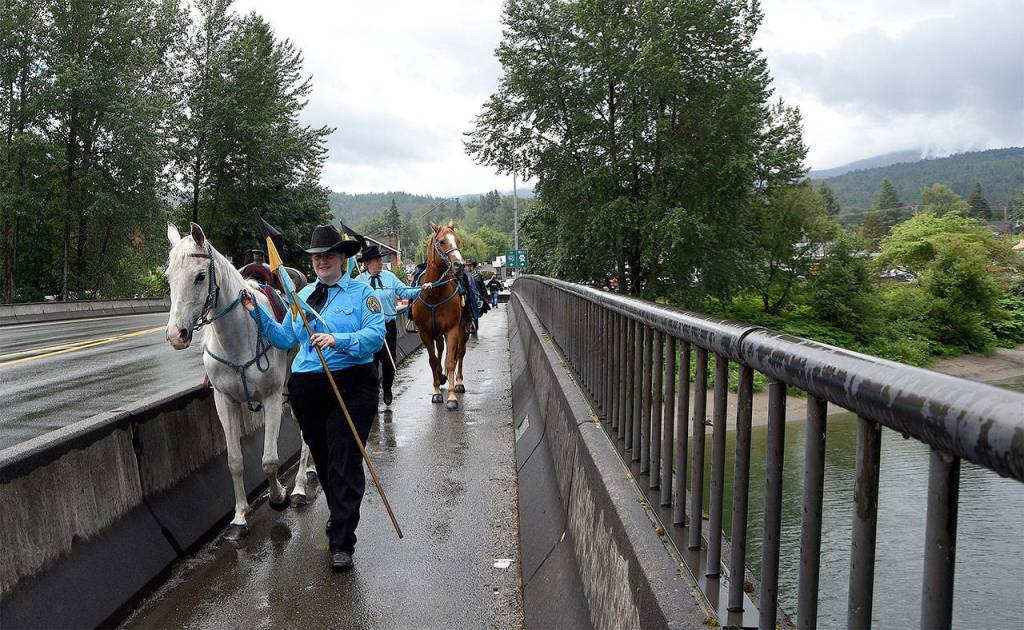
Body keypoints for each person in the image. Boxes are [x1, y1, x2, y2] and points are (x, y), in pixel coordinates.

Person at [241, 224, 384, 572]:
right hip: (308, 388)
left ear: (341, 258)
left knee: (344, 458)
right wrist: (256, 312)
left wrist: (339, 341)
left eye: (328, 255)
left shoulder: (362, 295)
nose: (322, 261)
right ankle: (340, 517)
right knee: (322, 460)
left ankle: (342, 541)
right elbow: (285, 337)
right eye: (317, 257)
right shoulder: (301, 298)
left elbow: (376, 335)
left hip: (351, 386)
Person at [354, 244, 432, 406]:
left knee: (389, 361)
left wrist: (421, 288)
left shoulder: (389, 277)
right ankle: (373, 394)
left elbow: (405, 292)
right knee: (371, 362)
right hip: (367, 329)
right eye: (376, 260)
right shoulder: (359, 281)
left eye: (380, 260)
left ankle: (387, 388)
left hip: (387, 327)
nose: (379, 263)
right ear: (367, 263)